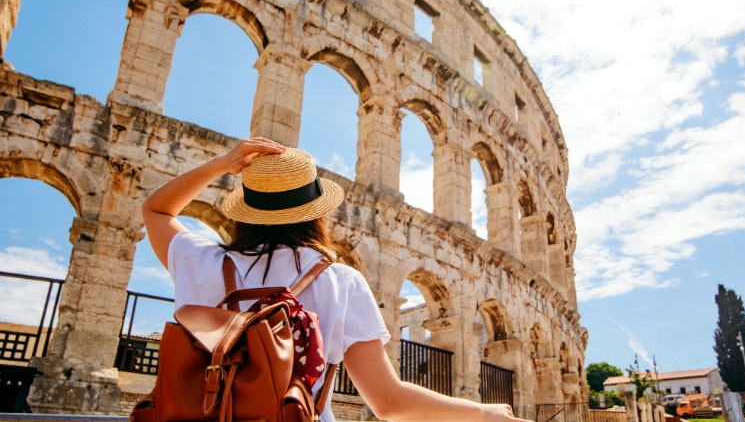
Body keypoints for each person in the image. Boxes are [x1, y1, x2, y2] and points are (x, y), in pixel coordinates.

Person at [142, 137, 525, 422]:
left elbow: (156, 209)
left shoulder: (199, 261)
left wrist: (223, 163)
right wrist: (482, 413)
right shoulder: (342, 282)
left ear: (245, 211)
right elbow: (388, 401)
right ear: (316, 213)